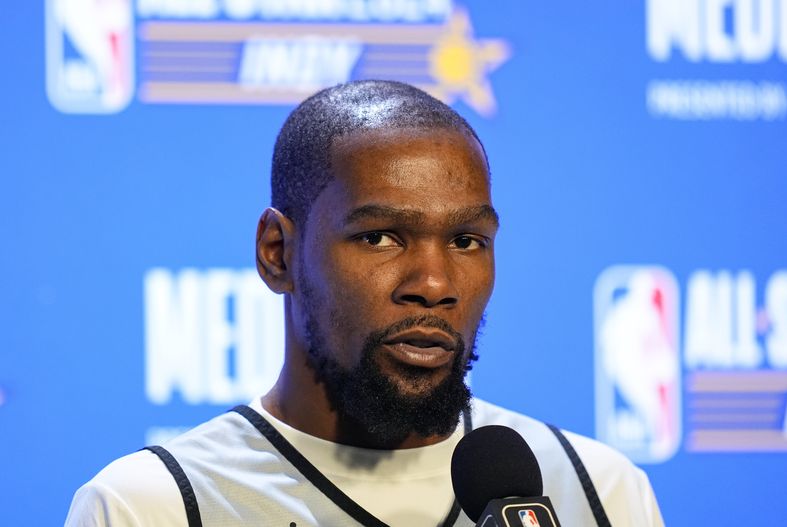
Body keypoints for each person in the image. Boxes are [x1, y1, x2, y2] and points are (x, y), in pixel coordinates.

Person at [65, 80, 664, 526]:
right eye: (379, 237)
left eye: (466, 241)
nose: (434, 284)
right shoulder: (153, 506)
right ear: (277, 253)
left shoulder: (597, 491)